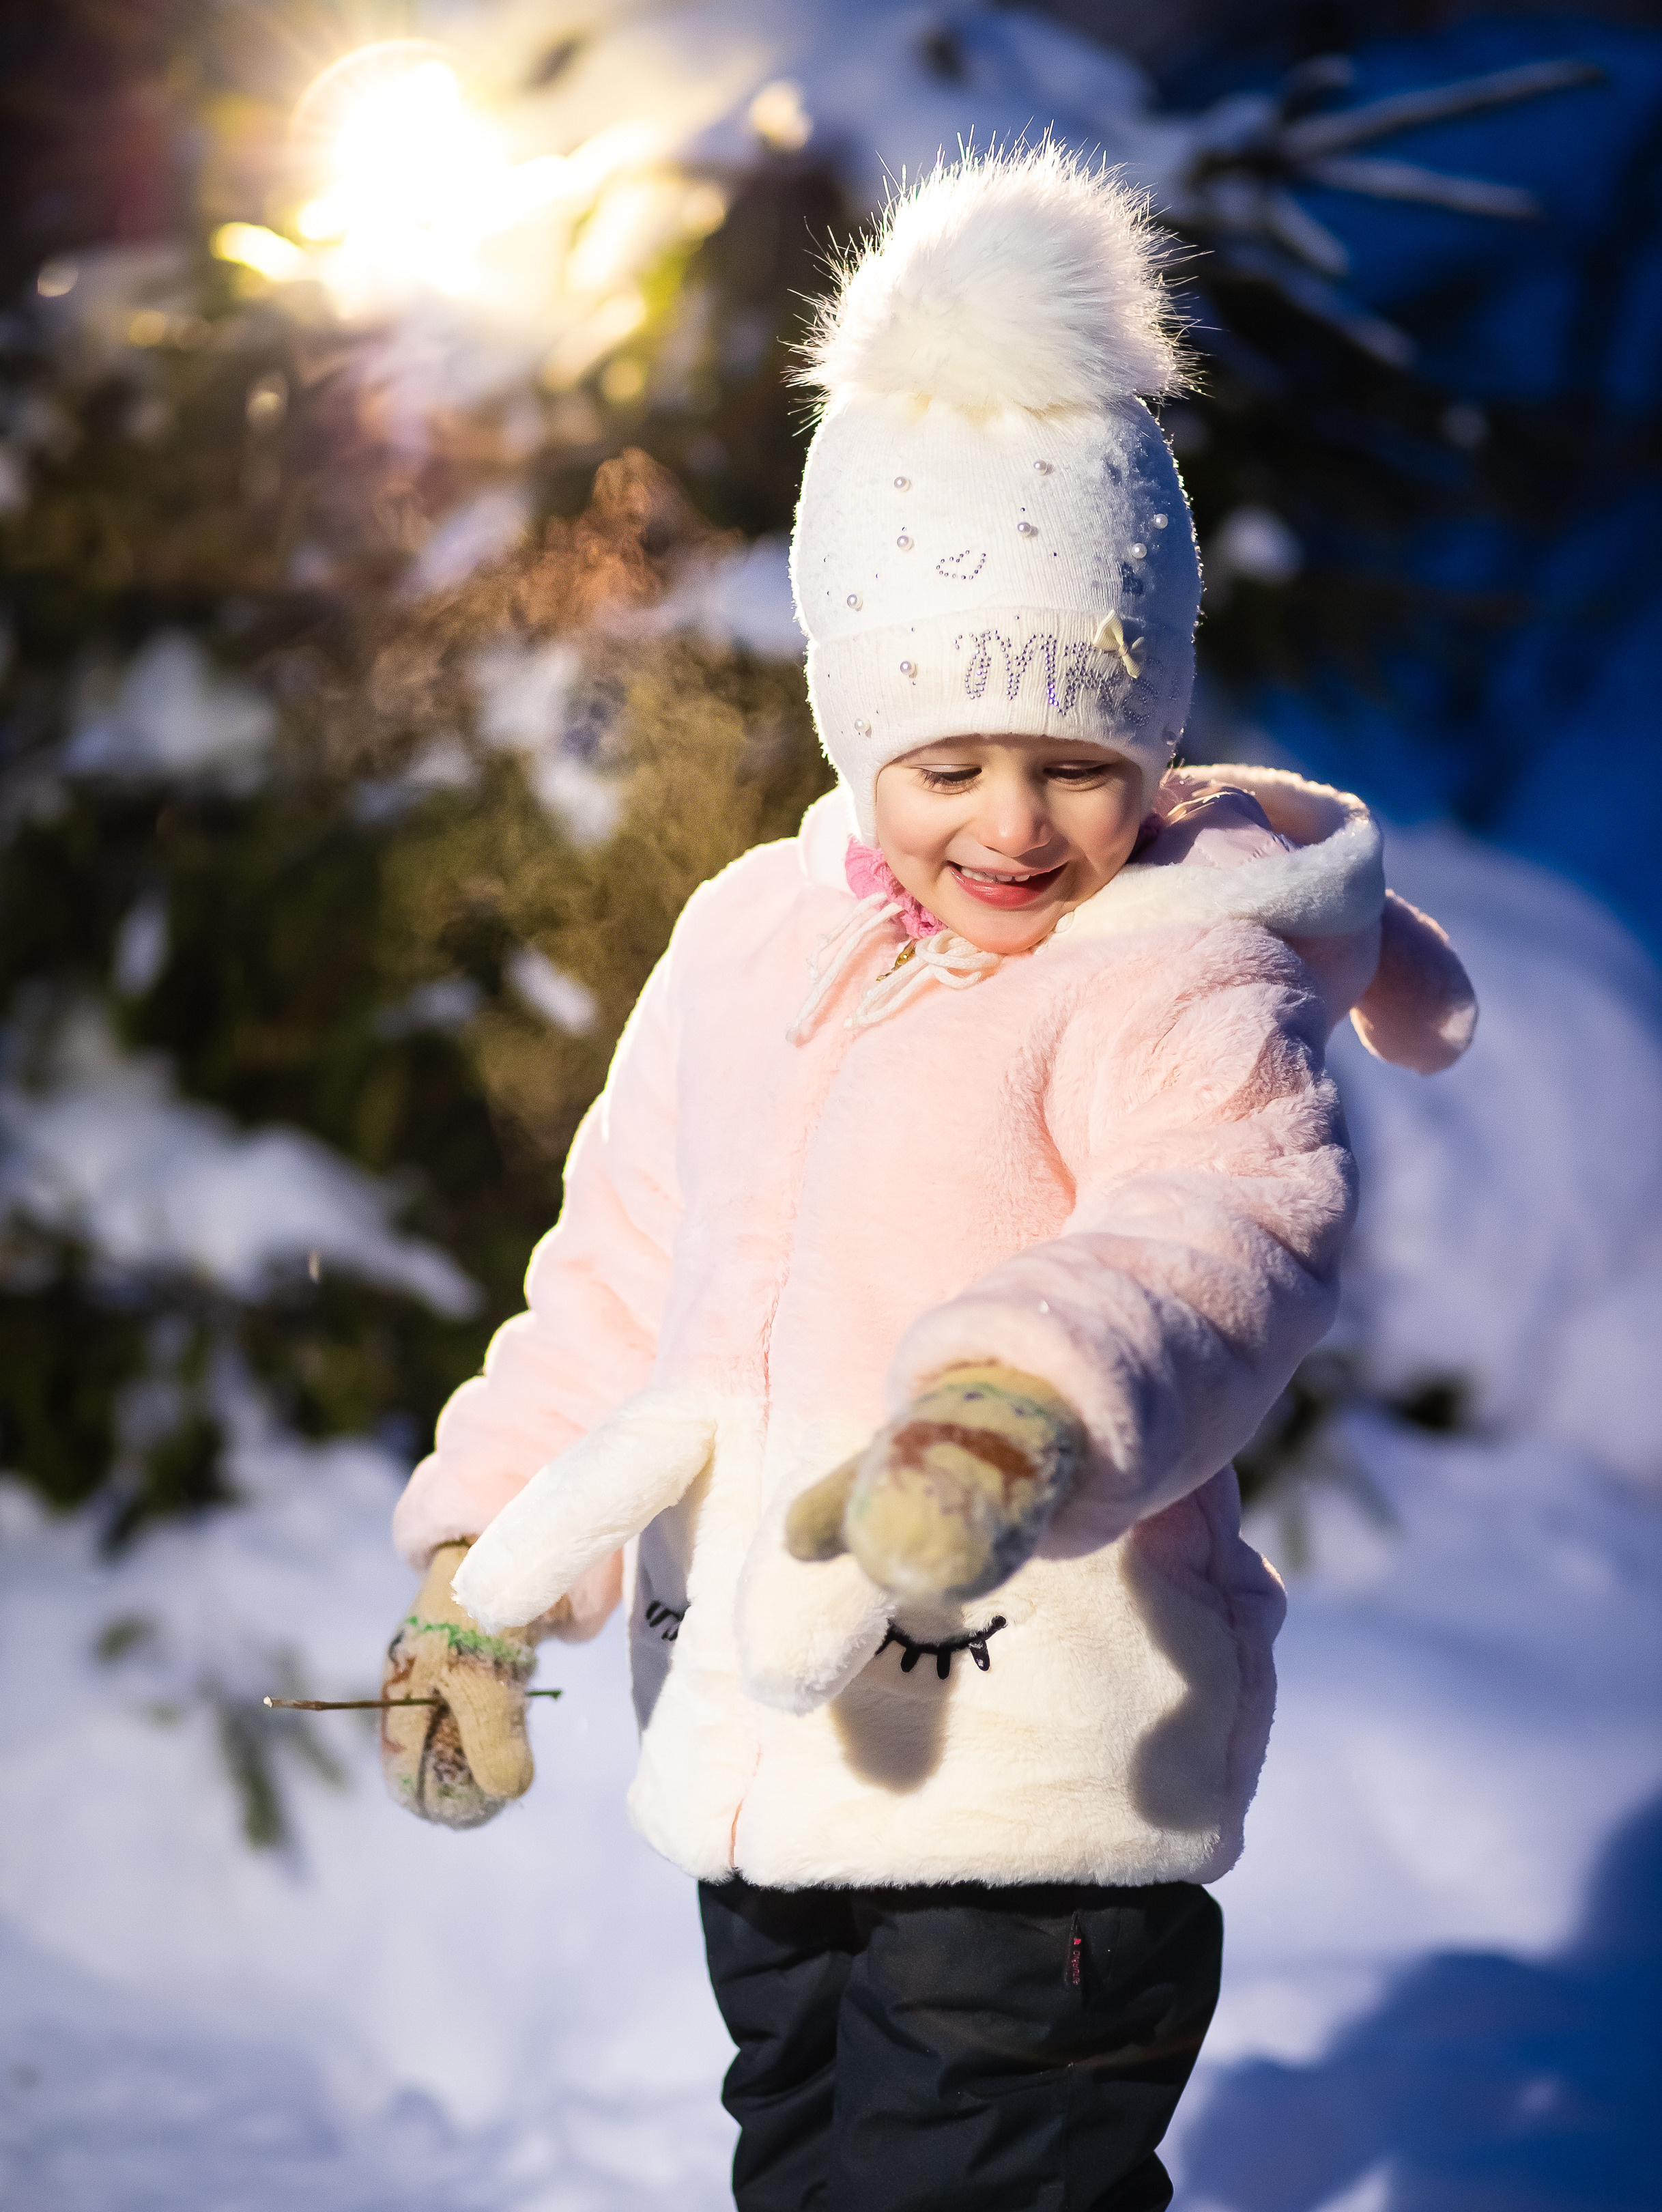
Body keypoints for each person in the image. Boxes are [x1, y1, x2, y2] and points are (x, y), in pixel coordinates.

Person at [379, 146, 1478, 2211]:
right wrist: (479, 1578)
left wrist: (1013, 1404)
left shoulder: (1171, 976)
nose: (1011, 822)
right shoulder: (749, 942)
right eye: (945, 758)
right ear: (849, 718)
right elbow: (617, 1271)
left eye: (1077, 761)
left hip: (1034, 1792)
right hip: (762, 1769)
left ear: (1151, 737)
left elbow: (1222, 1235)